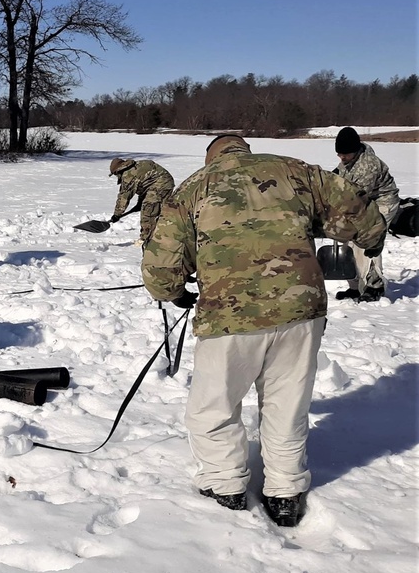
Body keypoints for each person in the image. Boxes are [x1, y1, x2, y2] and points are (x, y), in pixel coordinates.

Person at [141, 135, 386, 528]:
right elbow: (359, 214)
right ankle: (285, 492)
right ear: (246, 151)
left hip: (229, 317)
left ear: (212, 157)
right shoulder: (297, 171)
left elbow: (161, 264)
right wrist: (371, 240)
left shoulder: (193, 187)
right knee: (286, 405)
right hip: (300, 311)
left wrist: (173, 292)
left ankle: (225, 486)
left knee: (214, 407)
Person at [332, 126, 400, 302]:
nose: (341, 157)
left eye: (344, 154)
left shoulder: (368, 166)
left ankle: (374, 286)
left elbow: (357, 198)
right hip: (362, 202)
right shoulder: (350, 159)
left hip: (382, 202)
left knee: (368, 238)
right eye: (339, 154)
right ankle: (355, 287)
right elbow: (338, 178)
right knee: (347, 239)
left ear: (354, 151)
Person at [108, 158, 175, 246]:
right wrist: (140, 202)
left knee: (148, 211)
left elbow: (124, 197)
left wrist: (117, 214)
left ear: (117, 171)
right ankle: (163, 233)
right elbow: (145, 183)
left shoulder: (128, 176)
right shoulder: (136, 166)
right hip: (165, 182)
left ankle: (146, 239)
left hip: (161, 184)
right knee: (157, 210)